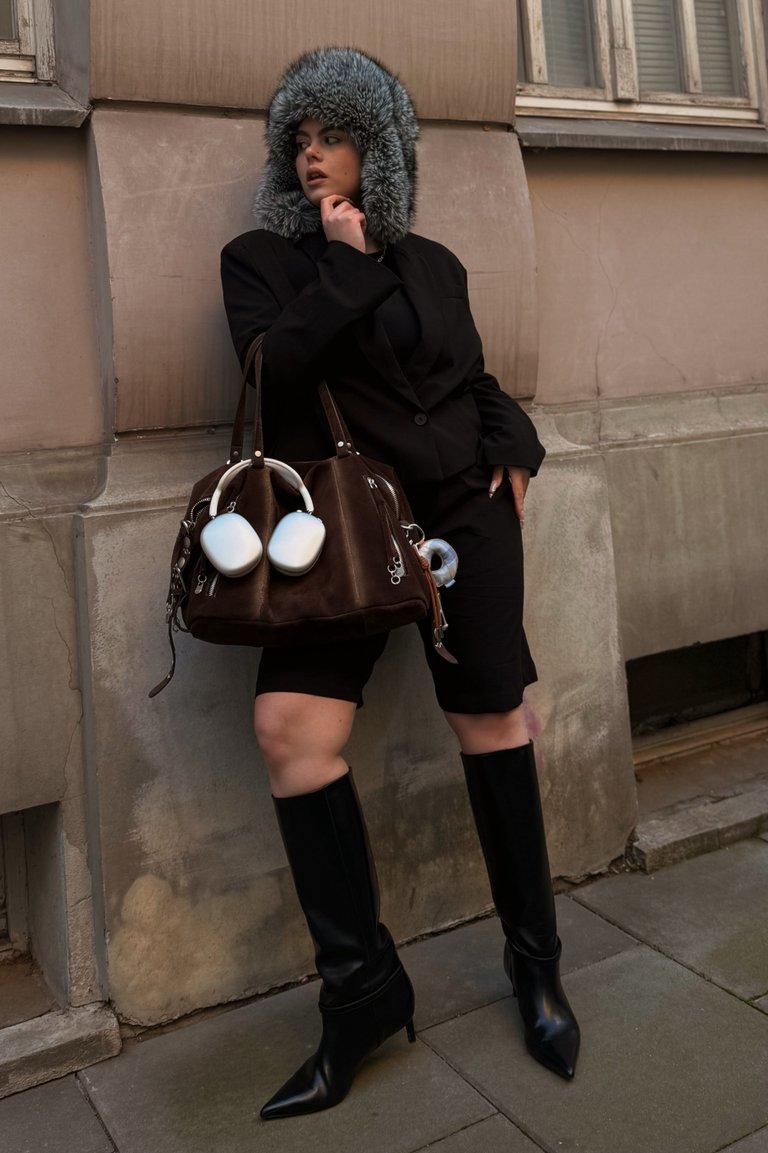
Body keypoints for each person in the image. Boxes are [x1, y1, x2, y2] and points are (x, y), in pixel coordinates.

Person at [220, 47, 580, 1121]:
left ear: (377, 148)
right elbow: (268, 373)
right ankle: (363, 993)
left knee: (493, 721)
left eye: (330, 134)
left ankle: (534, 964)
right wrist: (340, 264)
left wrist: (513, 448)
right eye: (297, 138)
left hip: (465, 518)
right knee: (290, 728)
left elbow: (467, 380)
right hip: (342, 533)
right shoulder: (260, 260)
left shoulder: (435, 262)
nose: (310, 154)